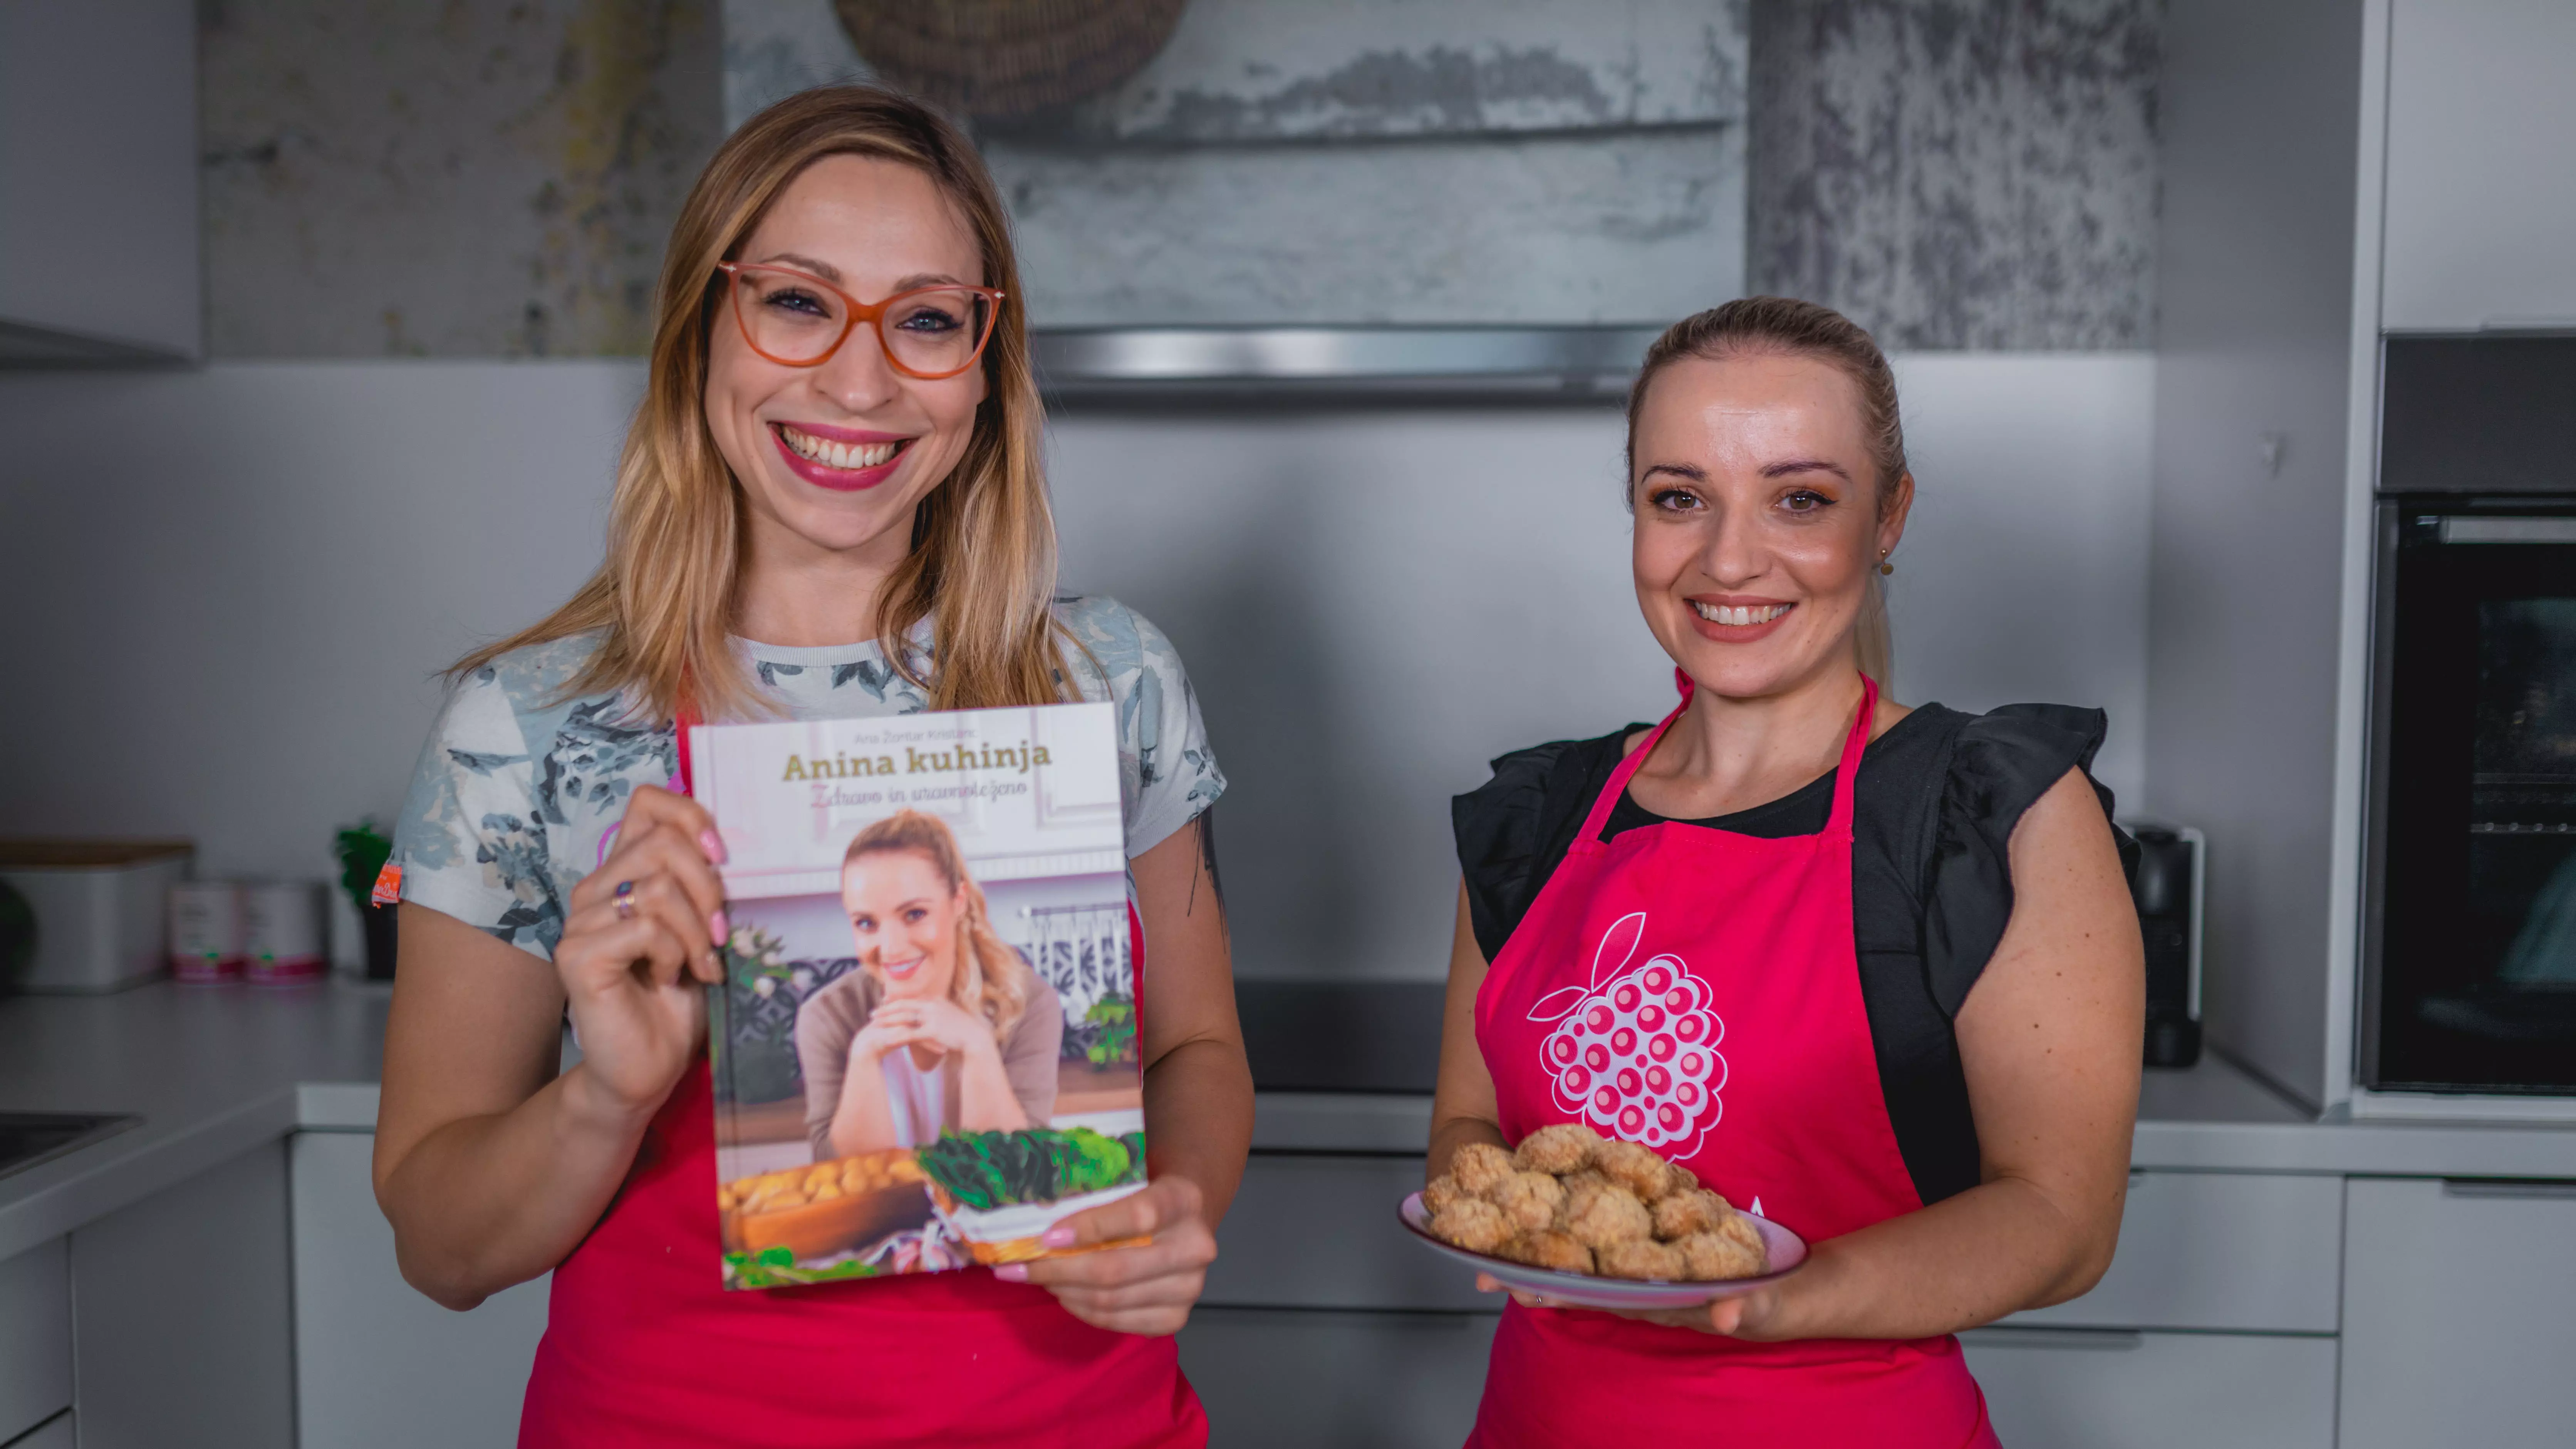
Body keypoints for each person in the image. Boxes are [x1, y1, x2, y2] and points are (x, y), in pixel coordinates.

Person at [373, 86, 1250, 1448]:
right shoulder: (528, 728)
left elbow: (1197, 1050)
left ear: (981, 359)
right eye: (795, 300)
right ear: (700, 326)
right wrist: (606, 1095)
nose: (859, 380)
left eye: (923, 318)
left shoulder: (1110, 679)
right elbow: (441, 1249)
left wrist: (1172, 1206)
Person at [1432, 297, 2145, 1447]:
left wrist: (1777, 1297)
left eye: (1800, 499)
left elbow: (2061, 1218)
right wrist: (1504, 1223)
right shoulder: (1542, 816)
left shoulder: (1985, 811)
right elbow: (1468, 1122)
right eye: (1680, 499)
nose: (1728, 558)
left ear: (1888, 518)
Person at [798, 810, 1065, 1158]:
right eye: (866, 923)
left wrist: (978, 1047)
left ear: (959, 902)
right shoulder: (827, 1017)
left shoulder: (1028, 1003)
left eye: (914, 914)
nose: (891, 948)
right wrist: (863, 1058)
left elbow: (1018, 1171)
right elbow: (840, 1179)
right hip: (883, 1214)